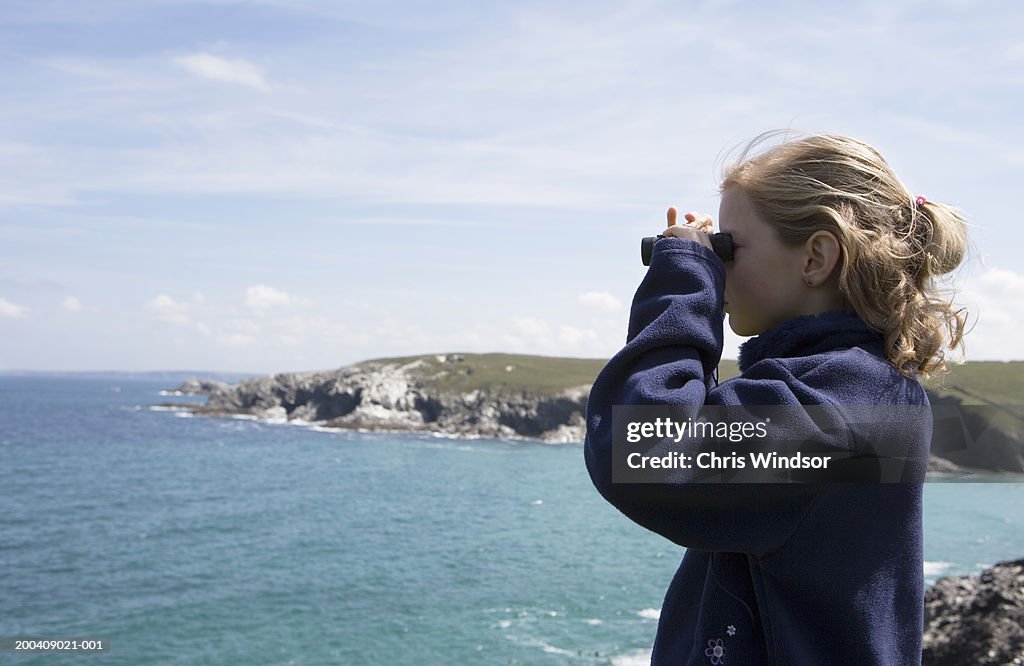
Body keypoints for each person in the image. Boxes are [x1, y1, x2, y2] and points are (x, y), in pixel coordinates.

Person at [584, 132, 968, 664]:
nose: (719, 268)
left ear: (816, 257)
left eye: (729, 248)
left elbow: (641, 452)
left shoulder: (837, 410)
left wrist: (683, 279)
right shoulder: (855, 389)